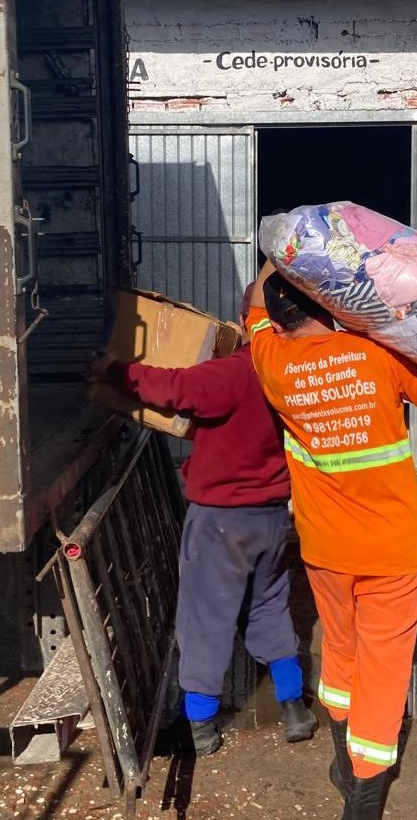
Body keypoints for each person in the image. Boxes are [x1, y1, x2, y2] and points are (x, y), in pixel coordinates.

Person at [245, 266, 417, 820]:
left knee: (342, 654)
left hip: (324, 550)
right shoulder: (376, 353)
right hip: (392, 555)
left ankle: (343, 766)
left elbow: (254, 308)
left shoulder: (271, 360)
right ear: (324, 303)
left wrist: (278, 256)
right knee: (383, 677)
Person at [90, 287, 317, 757]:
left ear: (248, 319)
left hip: (220, 521)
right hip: (272, 516)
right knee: (269, 606)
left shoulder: (235, 372)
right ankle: (294, 706)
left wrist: (114, 370)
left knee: (206, 617)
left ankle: (200, 725)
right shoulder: (295, 375)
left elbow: (174, 389)